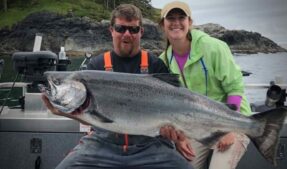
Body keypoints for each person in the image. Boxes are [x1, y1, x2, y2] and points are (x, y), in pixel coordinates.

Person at [42, 4, 193, 169]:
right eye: (121, 28)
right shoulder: (96, 66)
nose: (127, 34)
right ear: (111, 30)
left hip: (151, 146)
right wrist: (65, 112)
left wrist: (176, 134)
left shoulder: (156, 65)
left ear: (141, 32)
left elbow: (175, 107)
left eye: (133, 29)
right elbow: (86, 114)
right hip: (101, 145)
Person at [158, 1, 252, 169]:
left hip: (234, 121)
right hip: (197, 127)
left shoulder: (213, 47)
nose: (176, 22)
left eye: (181, 17)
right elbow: (172, 107)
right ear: (162, 25)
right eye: (170, 18)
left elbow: (235, 87)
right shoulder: (163, 61)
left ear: (190, 22)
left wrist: (228, 128)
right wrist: (182, 138)